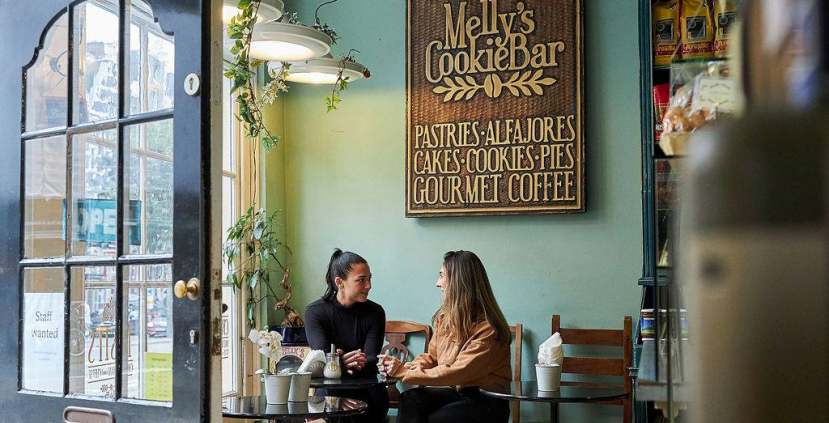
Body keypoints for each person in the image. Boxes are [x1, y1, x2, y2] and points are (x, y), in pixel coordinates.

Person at [378, 250, 511, 423]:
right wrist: (403, 367)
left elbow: (458, 372)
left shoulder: (489, 329)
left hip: (487, 401)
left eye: (442, 276)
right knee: (411, 399)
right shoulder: (445, 318)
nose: (437, 283)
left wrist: (402, 372)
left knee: (435, 419)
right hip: (458, 393)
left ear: (458, 282)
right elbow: (431, 357)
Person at [304, 249, 388, 422]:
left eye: (370, 278)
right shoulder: (315, 312)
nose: (369, 285)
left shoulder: (376, 312)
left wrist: (337, 362)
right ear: (339, 282)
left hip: (367, 388)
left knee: (374, 399)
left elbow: (371, 358)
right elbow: (321, 358)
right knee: (332, 402)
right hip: (330, 390)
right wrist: (339, 362)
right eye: (361, 280)